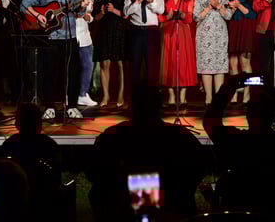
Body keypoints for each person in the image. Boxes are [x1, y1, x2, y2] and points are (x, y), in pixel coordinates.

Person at [87, 85, 205, 222]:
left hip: (122, 209)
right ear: (159, 106)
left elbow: (93, 172)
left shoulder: (112, 135)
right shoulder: (180, 135)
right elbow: (200, 167)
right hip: (170, 207)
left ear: (132, 106)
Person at [203, 73, 275, 218]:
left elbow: (210, 121)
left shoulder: (236, 141)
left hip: (238, 207)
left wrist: (229, 86)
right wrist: (272, 90)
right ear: (273, 116)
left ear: (248, 115)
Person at [21, 0, 89, 120]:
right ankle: (49, 106)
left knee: (72, 73)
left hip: (69, 36)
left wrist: (82, 6)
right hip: (50, 38)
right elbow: (24, 5)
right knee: (49, 73)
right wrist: (38, 15)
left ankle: (71, 106)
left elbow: (79, 12)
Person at [124, 0, 165, 91]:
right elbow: (126, 12)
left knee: (152, 66)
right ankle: (135, 97)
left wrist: (151, 2)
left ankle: (153, 96)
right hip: (135, 31)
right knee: (134, 65)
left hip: (151, 31)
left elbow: (161, 10)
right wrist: (138, 2)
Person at [194, 0, 232, 105]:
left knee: (219, 65)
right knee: (206, 65)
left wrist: (218, 6)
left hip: (220, 36)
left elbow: (228, 16)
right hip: (204, 36)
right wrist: (208, 8)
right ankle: (209, 97)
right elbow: (195, 17)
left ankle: (218, 98)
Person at [158, 0, 197, 106]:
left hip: (183, 32)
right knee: (169, 61)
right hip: (168, 31)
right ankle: (171, 95)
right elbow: (160, 16)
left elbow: (190, 18)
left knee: (183, 62)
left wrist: (182, 14)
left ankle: (183, 95)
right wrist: (167, 17)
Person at [93, 0, 128, 108]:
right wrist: (102, 12)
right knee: (104, 64)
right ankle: (106, 95)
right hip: (104, 32)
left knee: (120, 64)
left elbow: (127, 15)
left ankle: (120, 95)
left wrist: (113, 10)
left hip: (119, 32)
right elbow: (96, 18)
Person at [226, 0, 257, 104]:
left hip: (246, 27)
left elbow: (252, 14)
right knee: (232, 61)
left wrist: (238, 5)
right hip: (233, 26)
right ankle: (233, 94)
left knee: (245, 61)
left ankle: (247, 94)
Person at [66, 0, 97, 106]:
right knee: (70, 68)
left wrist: (88, 17)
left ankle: (83, 94)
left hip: (84, 37)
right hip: (69, 36)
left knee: (87, 66)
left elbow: (89, 15)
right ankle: (69, 95)